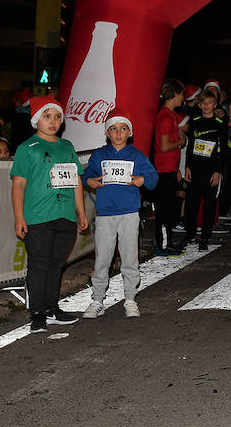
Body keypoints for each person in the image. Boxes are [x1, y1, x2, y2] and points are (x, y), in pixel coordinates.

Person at [10, 95, 87, 333]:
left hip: (65, 216)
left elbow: (76, 181)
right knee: (39, 264)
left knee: (56, 264)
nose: (52, 121)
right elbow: (18, 184)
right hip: (37, 218)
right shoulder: (27, 148)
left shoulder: (67, 146)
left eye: (56, 117)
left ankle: (53, 308)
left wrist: (81, 212)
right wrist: (19, 216)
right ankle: (37, 314)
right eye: (46, 116)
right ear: (36, 120)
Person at [81, 109, 158, 318]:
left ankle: (130, 299)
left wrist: (142, 180)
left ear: (129, 132)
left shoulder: (136, 155)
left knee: (129, 257)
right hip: (105, 213)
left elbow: (152, 176)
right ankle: (97, 300)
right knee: (103, 258)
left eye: (123, 129)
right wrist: (90, 181)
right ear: (107, 133)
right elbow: (85, 176)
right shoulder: (99, 155)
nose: (118, 133)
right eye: (113, 129)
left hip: (129, 213)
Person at [184, 89, 229, 250]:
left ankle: (205, 237)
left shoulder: (220, 124)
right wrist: (187, 166)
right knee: (191, 204)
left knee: (209, 205)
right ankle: (190, 235)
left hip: (212, 171)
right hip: (195, 169)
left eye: (209, 103)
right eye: (203, 103)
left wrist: (218, 171)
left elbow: (223, 150)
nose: (206, 106)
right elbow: (190, 146)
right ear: (199, 104)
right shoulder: (194, 121)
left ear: (215, 104)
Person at [153, 79, 186, 255]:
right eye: (182, 95)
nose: (183, 99)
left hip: (169, 168)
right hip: (163, 170)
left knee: (168, 208)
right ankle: (163, 245)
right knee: (164, 209)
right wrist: (180, 142)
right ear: (175, 95)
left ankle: (167, 242)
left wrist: (177, 168)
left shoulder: (170, 115)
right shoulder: (166, 117)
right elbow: (165, 146)